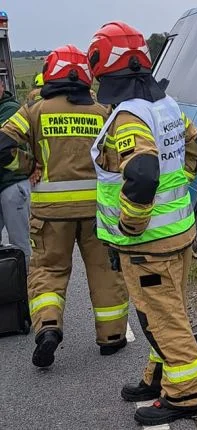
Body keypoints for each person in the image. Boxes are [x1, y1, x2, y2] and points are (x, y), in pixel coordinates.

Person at [88, 22, 197, 426]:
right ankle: (158, 378)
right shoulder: (167, 105)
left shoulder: (128, 116)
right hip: (177, 234)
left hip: (148, 244)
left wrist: (133, 224)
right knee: (160, 313)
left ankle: (186, 396)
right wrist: (177, 195)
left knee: (163, 317)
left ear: (102, 65)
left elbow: (141, 173)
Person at [0, 45, 130, 368]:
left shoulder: (35, 111)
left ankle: (48, 327)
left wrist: (26, 164)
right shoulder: (102, 112)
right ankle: (112, 337)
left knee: (48, 272)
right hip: (96, 213)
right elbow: (115, 162)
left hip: (50, 216)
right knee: (104, 272)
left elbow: (3, 145)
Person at [0, 79, 30, 266]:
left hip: (12, 184)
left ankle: (25, 286)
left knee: (19, 243)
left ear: (2, 86)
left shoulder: (11, 109)